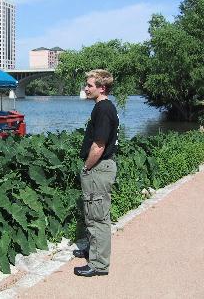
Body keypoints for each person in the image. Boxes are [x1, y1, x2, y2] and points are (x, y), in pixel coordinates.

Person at [73, 69, 118, 277]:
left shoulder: (103, 109)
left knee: (97, 217)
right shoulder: (104, 108)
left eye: (90, 85)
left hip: (98, 168)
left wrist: (87, 167)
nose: (86, 88)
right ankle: (93, 251)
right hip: (101, 167)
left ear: (102, 88)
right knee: (93, 213)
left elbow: (99, 145)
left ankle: (98, 265)